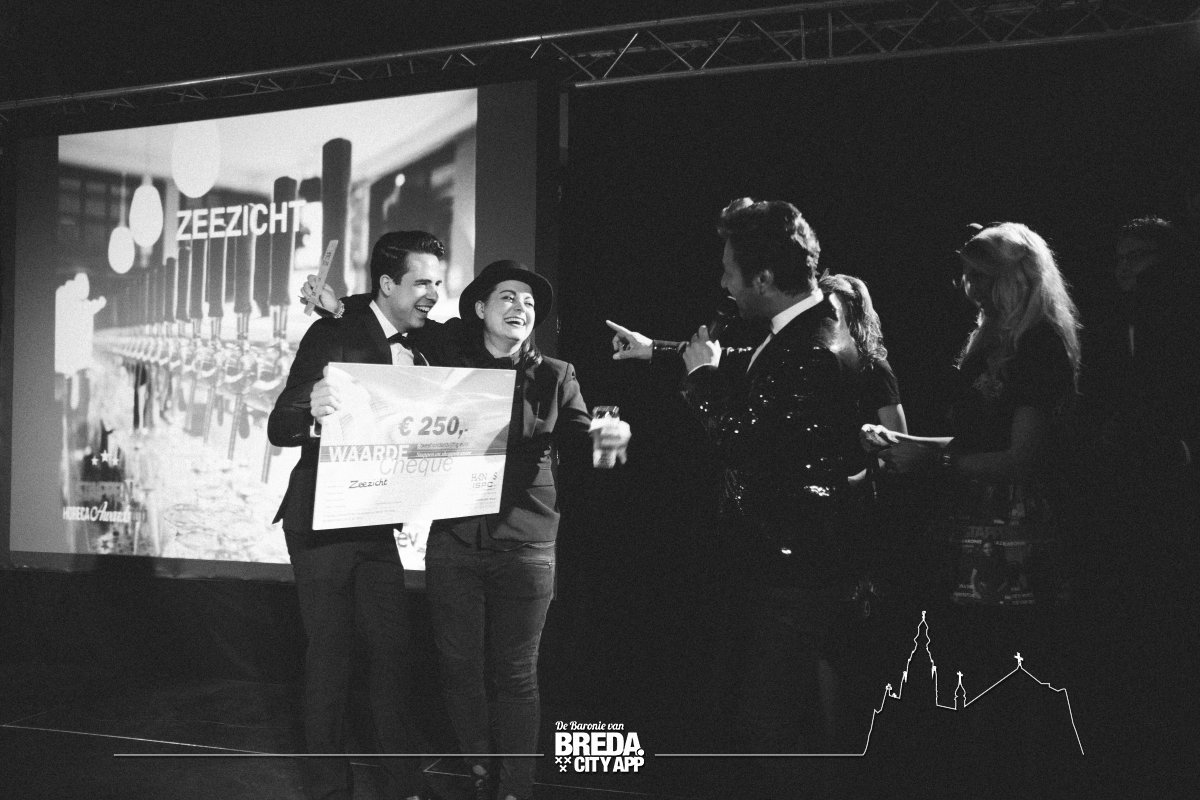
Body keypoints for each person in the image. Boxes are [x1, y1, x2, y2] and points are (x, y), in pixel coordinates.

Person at [306, 260, 630, 800]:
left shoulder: (557, 374)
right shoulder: (448, 356)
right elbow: (396, 316)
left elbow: (581, 438)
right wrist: (340, 308)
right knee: (458, 666)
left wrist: (606, 439)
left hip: (527, 539)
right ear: (480, 308)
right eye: (508, 297)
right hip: (454, 538)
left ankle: (516, 787)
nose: (520, 308)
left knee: (516, 672)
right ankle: (480, 764)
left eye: (529, 302)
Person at [609, 198, 860, 792]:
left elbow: (742, 442)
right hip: (787, 556)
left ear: (764, 278)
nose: (723, 285)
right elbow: (753, 367)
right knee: (772, 709)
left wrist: (699, 381)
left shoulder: (813, 349)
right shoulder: (799, 330)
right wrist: (657, 349)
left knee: (770, 717)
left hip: (792, 561)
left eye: (729, 272)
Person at [860, 221, 1081, 797]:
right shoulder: (988, 340)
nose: (969, 288)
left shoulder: (1040, 345)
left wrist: (931, 462)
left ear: (1018, 278)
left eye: (982, 277)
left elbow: (1023, 458)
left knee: (1008, 669)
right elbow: (971, 442)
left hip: (1013, 530)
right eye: (966, 276)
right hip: (967, 522)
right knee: (964, 665)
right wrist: (907, 445)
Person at [268, 230, 447, 800]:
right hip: (321, 524)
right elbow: (280, 423)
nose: (433, 294)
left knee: (393, 657)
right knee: (331, 663)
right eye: (422, 282)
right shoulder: (332, 332)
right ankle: (329, 791)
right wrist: (311, 409)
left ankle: (402, 786)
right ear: (388, 284)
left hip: (375, 523)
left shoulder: (423, 343)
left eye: (438, 283)